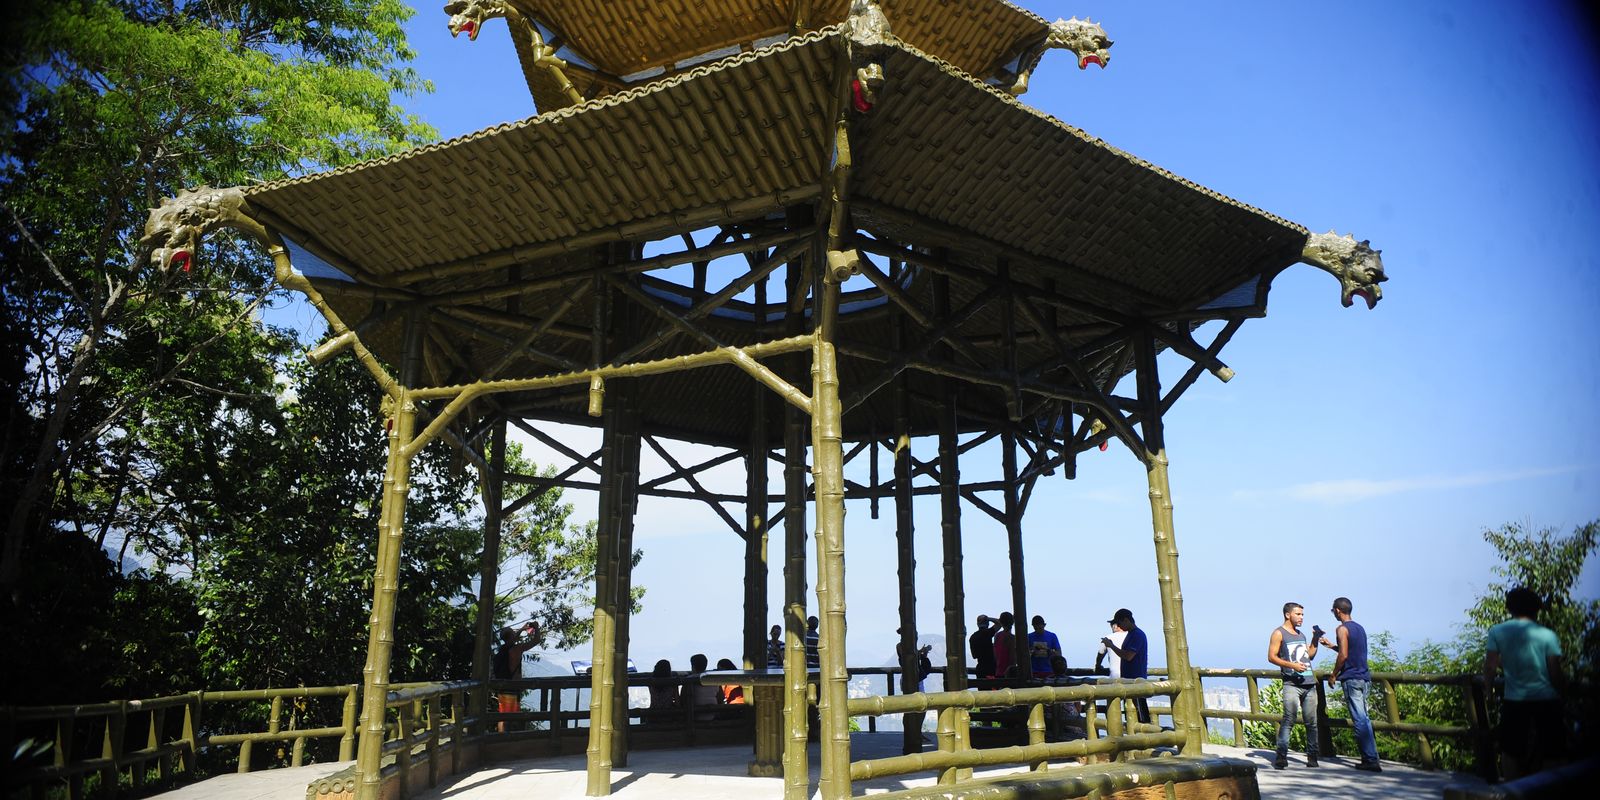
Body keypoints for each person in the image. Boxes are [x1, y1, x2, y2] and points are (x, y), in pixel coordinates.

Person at [1484, 586, 1565, 779]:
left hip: (1515, 699)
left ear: (1510, 608)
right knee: (1552, 750)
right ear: (1537, 608)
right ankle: (1548, 789)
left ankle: (1513, 790)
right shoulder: (1548, 635)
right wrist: (1564, 693)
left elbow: (1490, 666)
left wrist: (1488, 691)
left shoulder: (1497, 631)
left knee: (1510, 749)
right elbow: (1555, 672)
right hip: (1547, 699)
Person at [1319, 596, 1380, 772]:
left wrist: (1333, 675)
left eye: (1333, 611)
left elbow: (1344, 655)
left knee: (1359, 719)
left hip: (1351, 678)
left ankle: (1370, 759)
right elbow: (1352, 651)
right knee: (1365, 718)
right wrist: (1331, 646)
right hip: (1364, 677)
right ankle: (1372, 756)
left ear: (1337, 611)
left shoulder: (1341, 629)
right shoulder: (1359, 628)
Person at [1267, 602, 1320, 769]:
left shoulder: (1300, 634)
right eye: (1298, 614)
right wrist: (1292, 666)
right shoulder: (1278, 633)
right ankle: (1281, 756)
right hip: (1291, 683)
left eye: (1302, 614)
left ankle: (1312, 757)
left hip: (1309, 683)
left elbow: (1309, 655)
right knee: (1289, 719)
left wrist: (1315, 638)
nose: (1301, 617)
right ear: (1288, 615)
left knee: (1311, 722)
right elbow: (1271, 657)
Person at [1100, 608, 1150, 724]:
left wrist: (1111, 646)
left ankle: (1145, 737)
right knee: (1132, 712)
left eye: (1120, 622)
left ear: (1126, 620)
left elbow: (1128, 656)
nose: (1119, 626)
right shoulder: (1132, 634)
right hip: (1130, 681)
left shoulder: (1137, 635)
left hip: (1136, 681)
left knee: (1140, 714)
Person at [491, 622, 538, 732]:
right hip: (513, 686)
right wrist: (536, 628)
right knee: (510, 716)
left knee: (503, 715)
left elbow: (511, 639)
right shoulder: (517, 649)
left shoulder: (502, 649)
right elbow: (536, 641)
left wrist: (522, 629)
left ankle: (502, 737)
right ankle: (507, 738)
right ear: (511, 636)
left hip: (502, 685)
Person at [680, 653, 724, 720]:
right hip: (713, 715)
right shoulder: (713, 679)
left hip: (693, 715)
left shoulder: (688, 680)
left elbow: (683, 699)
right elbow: (721, 698)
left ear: (693, 666)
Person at [969, 614, 997, 679]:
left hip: (980, 669)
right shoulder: (988, 633)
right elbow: (999, 623)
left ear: (977, 624)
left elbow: (974, 656)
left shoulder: (973, 637)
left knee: (982, 688)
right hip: (990, 668)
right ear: (987, 624)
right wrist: (989, 618)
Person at [992, 612, 1016, 680]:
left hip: (998, 672)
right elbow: (1012, 658)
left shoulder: (997, 636)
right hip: (1008, 674)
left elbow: (995, 655)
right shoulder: (1012, 638)